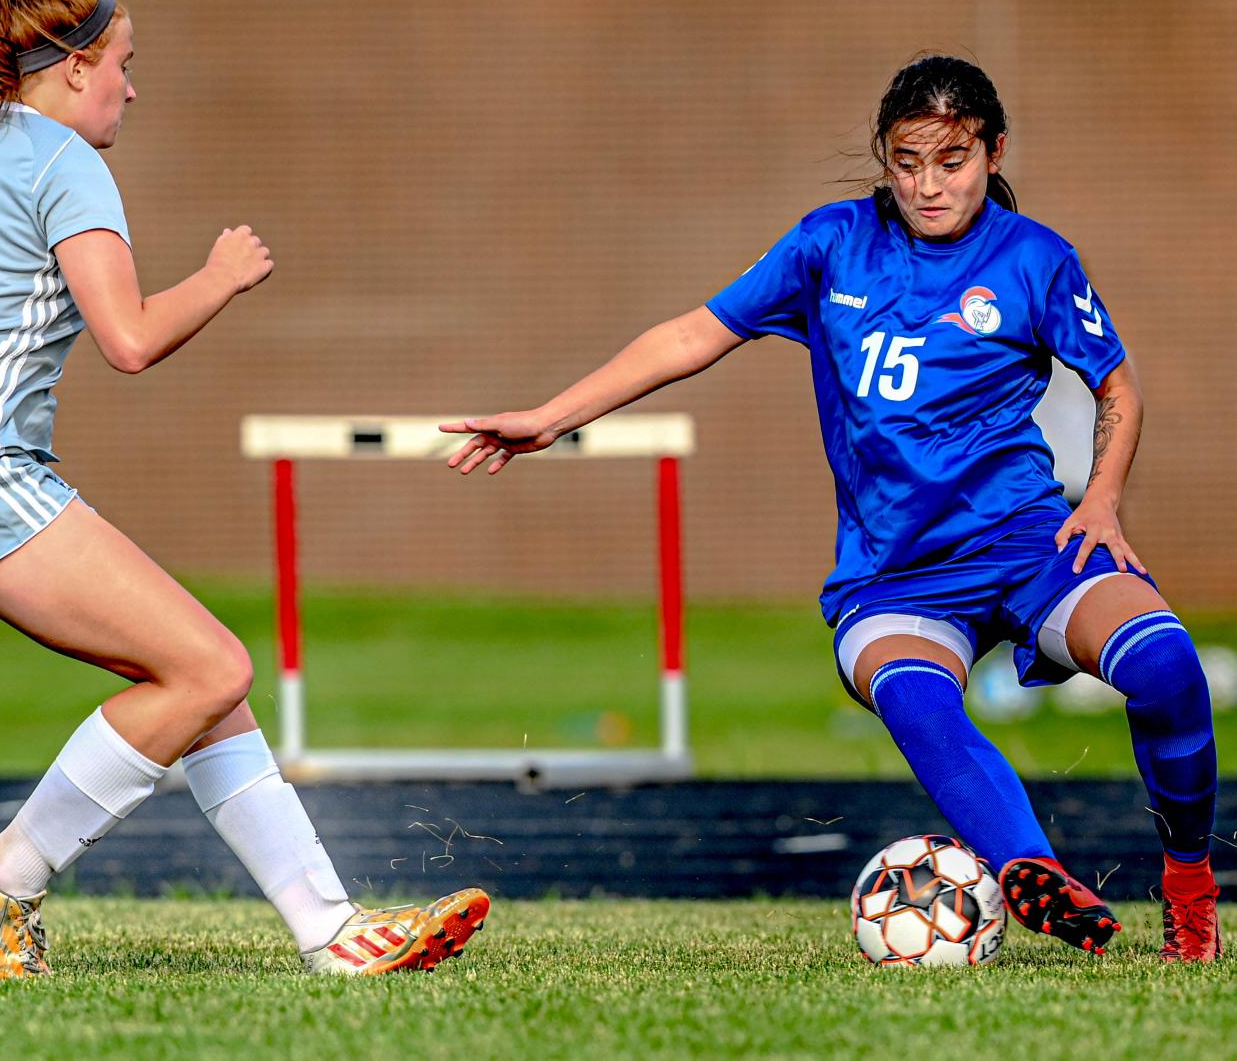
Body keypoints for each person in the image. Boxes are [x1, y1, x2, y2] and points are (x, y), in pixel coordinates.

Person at [0, 0, 488, 979]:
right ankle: (5, 873)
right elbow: (131, 341)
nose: (132, 94)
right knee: (213, 665)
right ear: (75, 68)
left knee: (203, 685)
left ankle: (330, 932)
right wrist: (223, 276)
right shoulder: (64, 163)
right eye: (126, 64)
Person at [443, 55, 1220, 962]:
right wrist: (548, 417)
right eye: (907, 161)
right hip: (892, 576)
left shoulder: (1034, 259)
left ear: (993, 150)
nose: (929, 184)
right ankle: (1027, 869)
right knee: (915, 698)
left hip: (1027, 542)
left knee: (1166, 665)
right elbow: (693, 333)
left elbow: (1115, 383)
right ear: (882, 158)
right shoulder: (830, 244)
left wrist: (1102, 498)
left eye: (953, 160)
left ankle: (1189, 887)